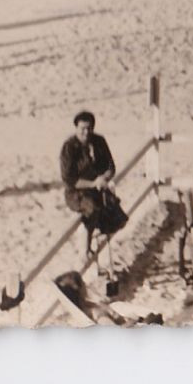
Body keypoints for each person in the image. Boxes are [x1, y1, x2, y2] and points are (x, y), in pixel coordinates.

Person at [60, 111, 126, 271]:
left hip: (98, 188)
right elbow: (69, 179)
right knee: (91, 209)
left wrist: (104, 178)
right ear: (76, 128)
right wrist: (92, 183)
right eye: (82, 128)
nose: (86, 132)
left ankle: (99, 248)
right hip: (77, 192)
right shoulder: (69, 147)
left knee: (117, 216)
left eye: (89, 128)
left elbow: (111, 166)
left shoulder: (99, 142)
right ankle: (84, 251)